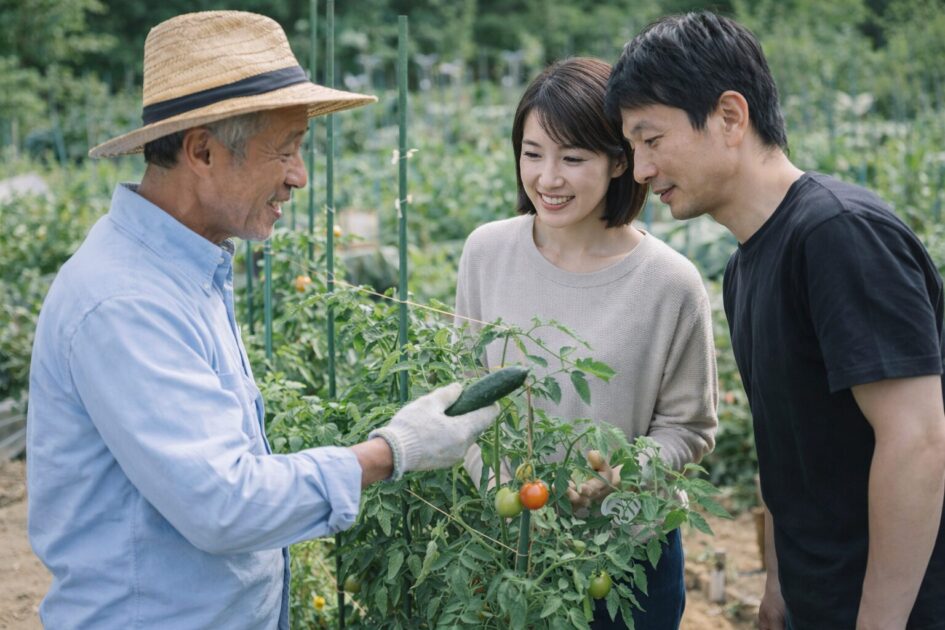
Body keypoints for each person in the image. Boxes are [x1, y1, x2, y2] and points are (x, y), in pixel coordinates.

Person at [26, 11, 498, 629]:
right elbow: (224, 504)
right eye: (287, 150)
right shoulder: (126, 301)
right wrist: (391, 451)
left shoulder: (185, 270)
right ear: (202, 151)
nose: (298, 176)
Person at [606, 11, 945, 630]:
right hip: (818, 601)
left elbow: (918, 441)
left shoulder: (840, 235)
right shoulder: (746, 266)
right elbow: (785, 447)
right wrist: (778, 588)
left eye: (651, 140)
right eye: (632, 149)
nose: (642, 170)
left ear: (730, 117)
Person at [454, 57, 719, 629]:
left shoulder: (670, 282)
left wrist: (626, 468)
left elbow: (690, 429)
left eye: (573, 158)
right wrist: (495, 483)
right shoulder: (486, 252)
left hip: (626, 563)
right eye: (532, 153)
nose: (548, 178)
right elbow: (464, 396)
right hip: (507, 549)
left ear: (619, 161)